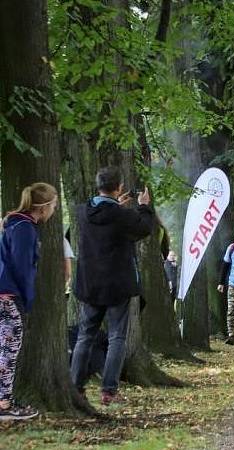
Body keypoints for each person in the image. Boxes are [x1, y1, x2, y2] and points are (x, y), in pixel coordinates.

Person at [71, 167, 154, 406]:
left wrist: (116, 204)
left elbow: (104, 216)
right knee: (117, 337)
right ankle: (109, 390)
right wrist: (144, 206)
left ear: (98, 186)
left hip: (90, 284)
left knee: (85, 336)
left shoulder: (82, 212)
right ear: (118, 187)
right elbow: (144, 228)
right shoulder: (122, 215)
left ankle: (76, 386)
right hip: (118, 285)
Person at [0, 182, 58, 420]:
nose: (54, 209)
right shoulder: (24, 229)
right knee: (8, 348)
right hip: (8, 294)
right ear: (43, 207)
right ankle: (3, 402)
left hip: (5, 291)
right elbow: (22, 267)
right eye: (54, 205)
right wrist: (25, 299)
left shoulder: (15, 224)